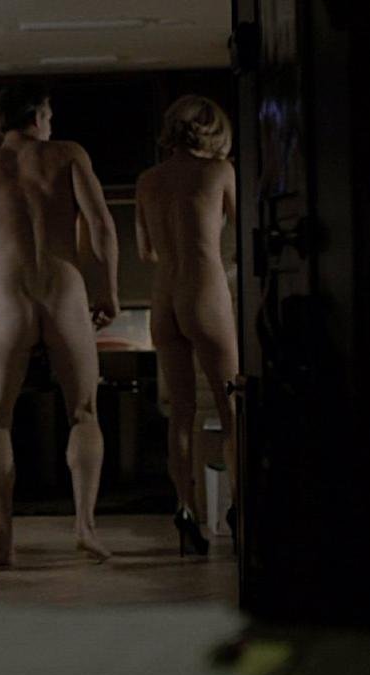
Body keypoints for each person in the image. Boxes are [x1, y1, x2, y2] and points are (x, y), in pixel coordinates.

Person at [0, 84, 120, 565]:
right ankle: (85, 528)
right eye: (49, 116)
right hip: (64, 289)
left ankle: (2, 539)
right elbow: (101, 225)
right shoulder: (68, 154)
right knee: (84, 411)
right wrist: (108, 290)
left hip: (11, 296)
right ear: (39, 117)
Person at [134, 95, 237, 556]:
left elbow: (146, 252)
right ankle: (239, 505)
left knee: (181, 411)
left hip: (164, 298)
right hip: (203, 290)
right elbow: (246, 229)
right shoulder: (219, 172)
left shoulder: (148, 180)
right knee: (230, 407)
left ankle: (185, 508)